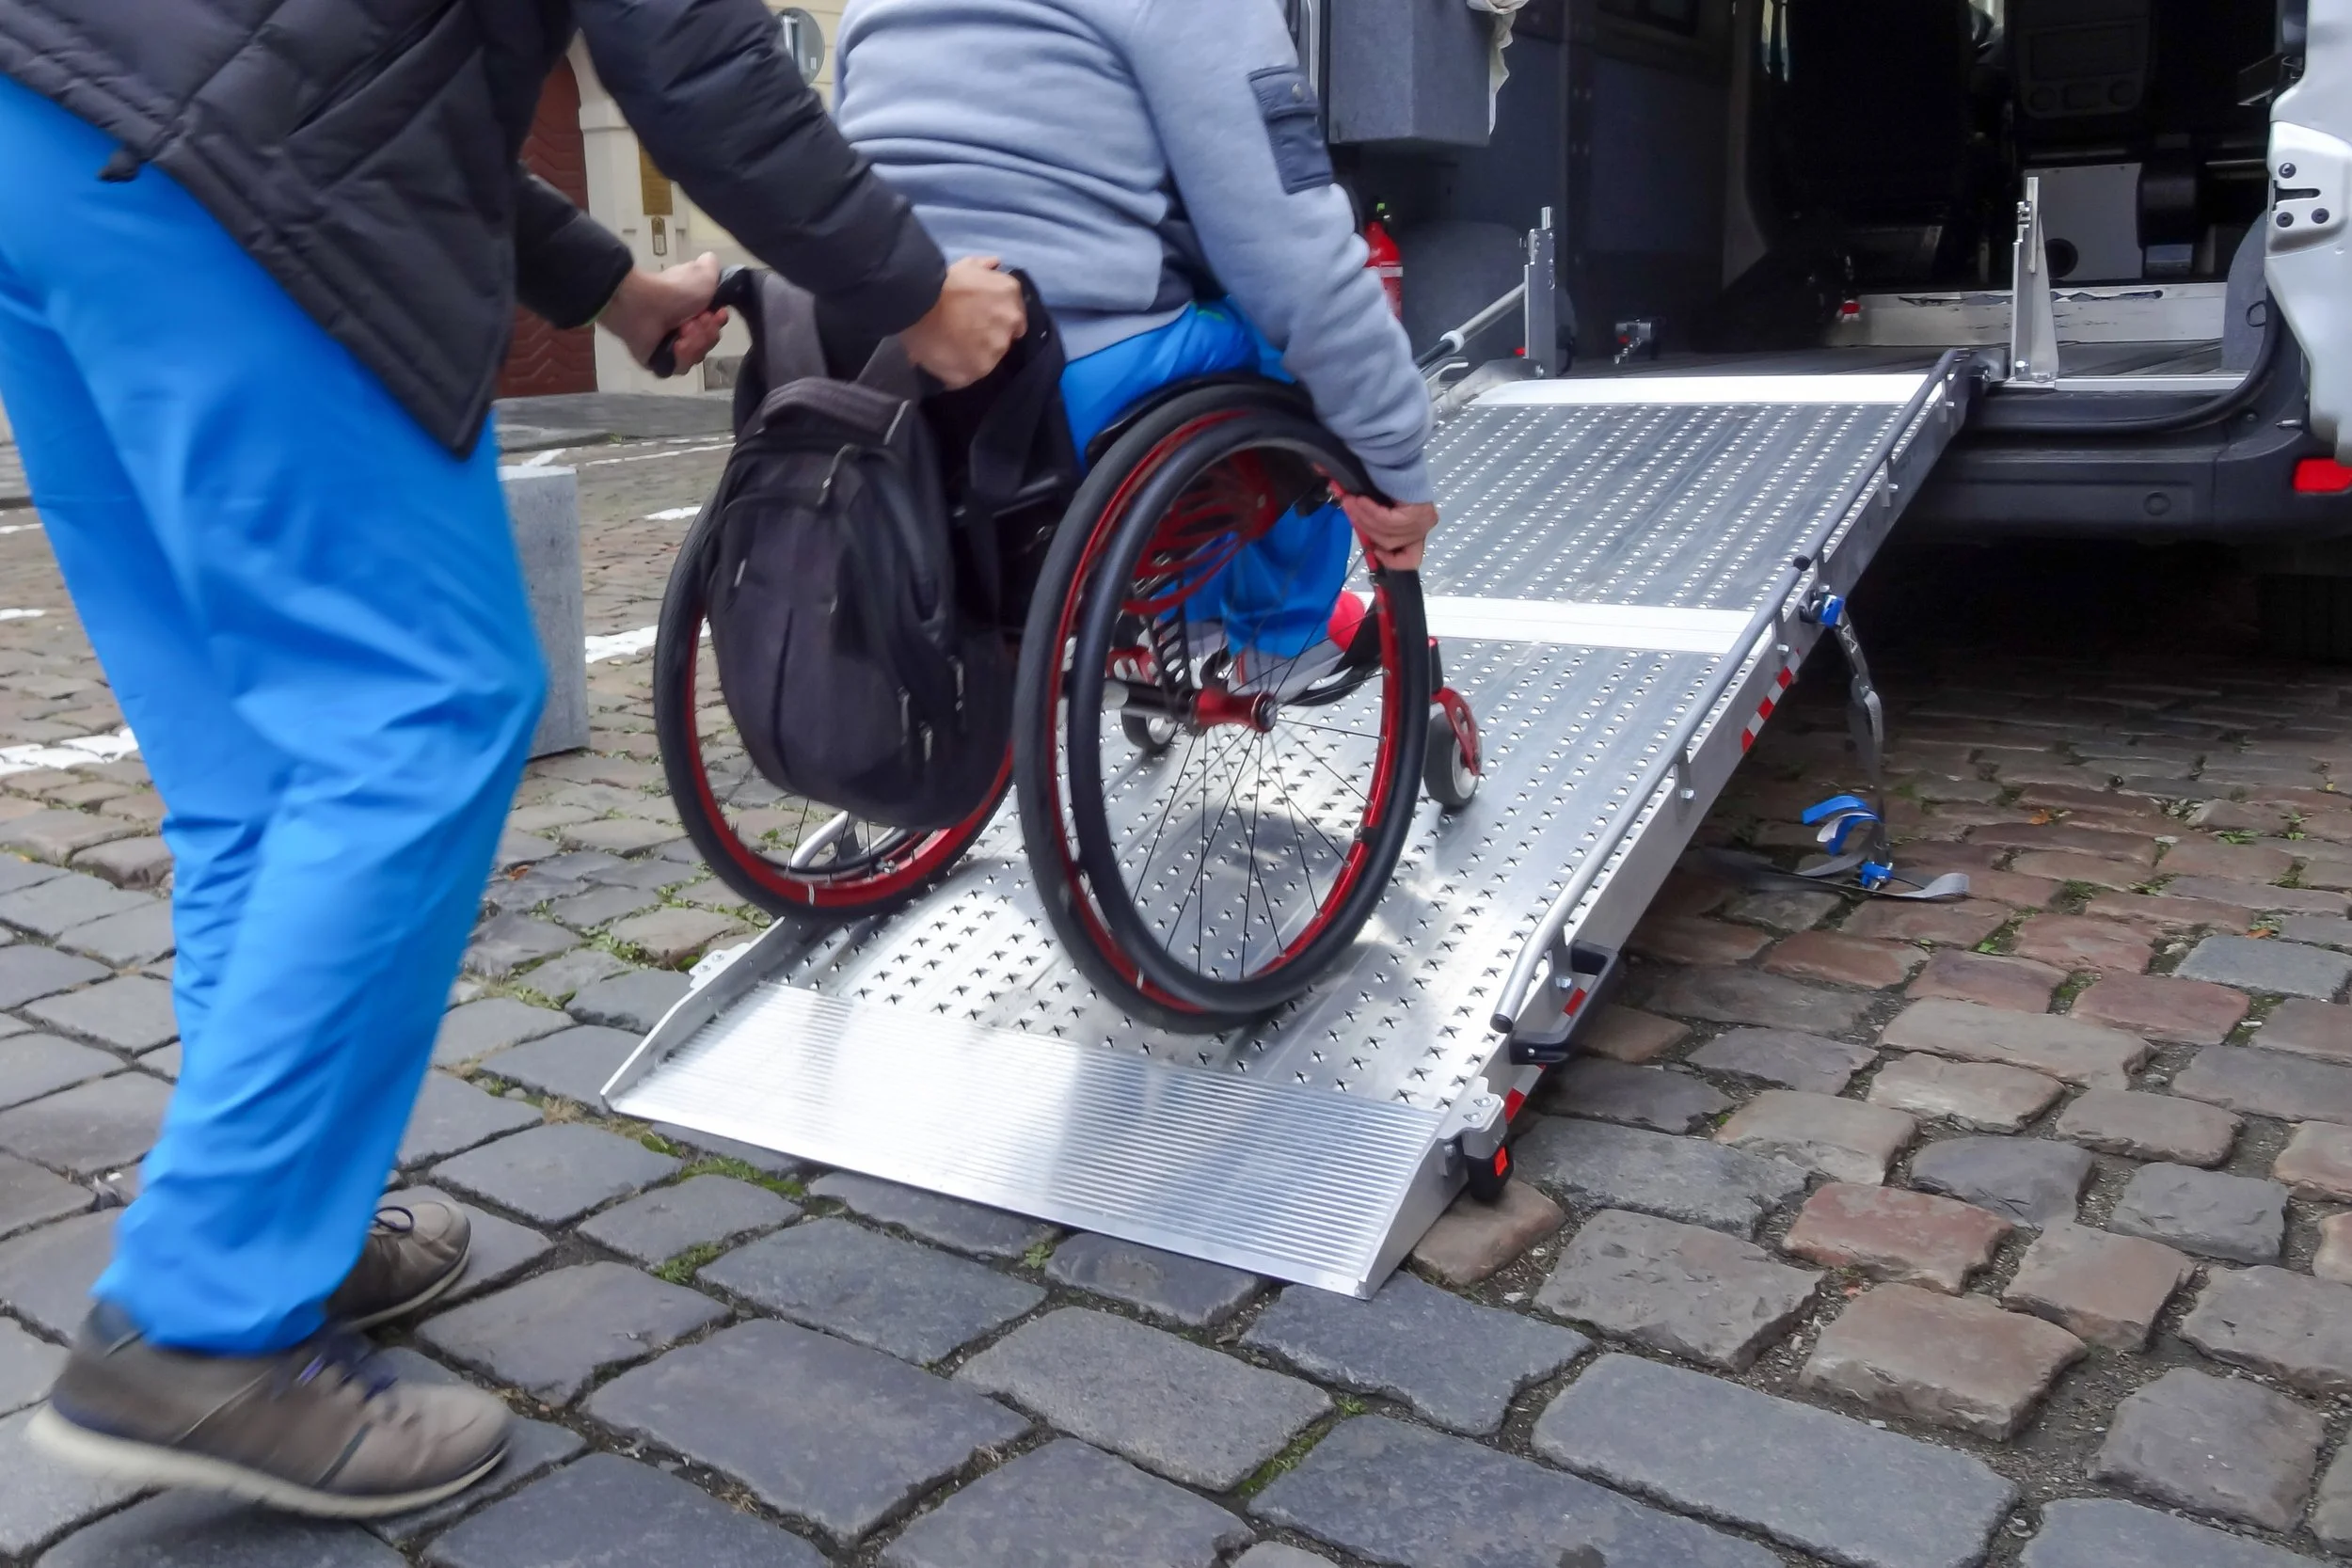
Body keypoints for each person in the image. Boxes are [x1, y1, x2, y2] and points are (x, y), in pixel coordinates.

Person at [0, 0, 1025, 1517]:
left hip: (45, 139)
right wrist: (921, 295)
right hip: (233, 187)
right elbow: (687, 58)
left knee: (252, 777)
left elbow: (382, 56)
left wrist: (606, 283)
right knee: (420, 707)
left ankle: (282, 1209)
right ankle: (203, 1314)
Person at [834, 0, 1438, 698]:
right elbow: (1296, 259)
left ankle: (1189, 613)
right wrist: (1394, 461)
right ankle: (1279, 634)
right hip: (1062, 387)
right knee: (1302, 351)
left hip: (889, 378)